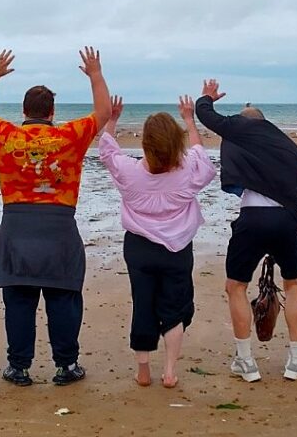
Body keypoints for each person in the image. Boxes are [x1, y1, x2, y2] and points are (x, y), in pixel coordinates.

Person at [0, 47, 111, 387]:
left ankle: (19, 368)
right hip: (59, 229)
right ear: (52, 112)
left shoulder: (7, 136)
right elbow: (104, 112)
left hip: (17, 229)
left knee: (19, 301)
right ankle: (66, 366)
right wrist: (94, 73)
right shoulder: (69, 137)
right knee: (63, 298)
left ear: (24, 111)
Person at [98, 95, 216, 388]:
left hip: (139, 247)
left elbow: (106, 150)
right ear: (175, 143)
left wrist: (112, 119)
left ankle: (142, 370)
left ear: (145, 144)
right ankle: (170, 370)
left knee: (143, 303)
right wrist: (189, 119)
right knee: (175, 308)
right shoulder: (188, 171)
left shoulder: (129, 171)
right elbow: (203, 157)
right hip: (176, 248)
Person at [195, 80, 297, 382]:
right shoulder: (288, 146)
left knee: (236, 286)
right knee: (294, 285)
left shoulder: (245, 129)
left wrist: (207, 97)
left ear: (248, 123)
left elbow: (206, 116)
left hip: (253, 217)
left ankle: (246, 362)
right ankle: (296, 360)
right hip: (287, 219)